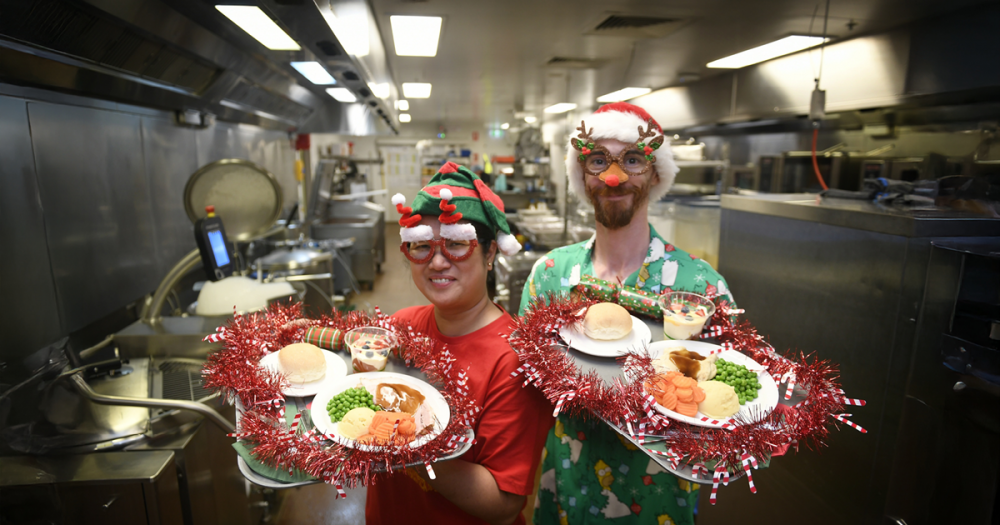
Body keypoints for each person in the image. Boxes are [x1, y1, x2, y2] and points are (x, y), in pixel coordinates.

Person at [519, 103, 735, 525]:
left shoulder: (701, 287)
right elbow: (526, 392)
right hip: (566, 490)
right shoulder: (550, 276)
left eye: (633, 159)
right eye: (597, 160)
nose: (613, 176)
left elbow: (726, 406)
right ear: (581, 174)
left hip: (659, 504)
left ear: (655, 174)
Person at [367, 161, 553, 525]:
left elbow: (502, 504)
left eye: (456, 244)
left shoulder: (513, 358)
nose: (437, 261)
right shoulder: (402, 326)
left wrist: (412, 449)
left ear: (491, 254)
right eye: (421, 246)